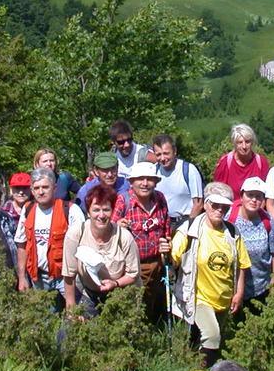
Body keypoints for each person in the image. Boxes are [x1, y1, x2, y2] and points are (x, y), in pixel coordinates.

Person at [172, 183, 250, 367]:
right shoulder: (189, 229)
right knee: (212, 336)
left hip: (223, 298)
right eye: (215, 205)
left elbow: (241, 265)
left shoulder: (232, 232)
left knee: (213, 338)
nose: (220, 210)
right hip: (199, 297)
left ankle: (192, 366)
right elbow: (172, 259)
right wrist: (166, 253)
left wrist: (238, 293)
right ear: (206, 204)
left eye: (224, 206)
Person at [62, 184, 141, 317]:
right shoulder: (76, 234)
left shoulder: (124, 237)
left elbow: (133, 274)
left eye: (106, 210)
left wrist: (115, 283)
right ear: (88, 212)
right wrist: (72, 311)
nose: (101, 215)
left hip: (120, 292)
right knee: (67, 332)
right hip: (89, 293)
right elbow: (69, 275)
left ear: (112, 211)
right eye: (96, 210)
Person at [113, 161, 172, 323]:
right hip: (133, 268)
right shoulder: (123, 200)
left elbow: (166, 226)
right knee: (135, 309)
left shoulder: (160, 198)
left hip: (158, 265)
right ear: (132, 182)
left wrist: (167, 244)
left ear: (156, 182)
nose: (145, 183)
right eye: (140, 179)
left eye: (150, 179)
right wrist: (117, 226)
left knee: (154, 310)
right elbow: (110, 229)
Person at [16, 168, 85, 301]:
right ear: (32, 190)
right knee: (44, 320)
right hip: (39, 278)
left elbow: (83, 247)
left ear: (54, 188)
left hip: (68, 278)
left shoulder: (71, 210)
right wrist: (22, 277)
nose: (40, 192)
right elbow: (22, 245)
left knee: (76, 316)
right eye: (36, 188)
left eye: (45, 187)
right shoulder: (27, 210)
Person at [228, 177, 274, 312]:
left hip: (261, 286)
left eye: (258, 197)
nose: (254, 200)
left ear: (263, 200)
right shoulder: (229, 218)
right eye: (250, 195)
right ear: (241, 196)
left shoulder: (267, 220)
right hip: (232, 288)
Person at [153, 133, 204, 227]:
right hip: (162, 224)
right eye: (158, 154)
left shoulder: (189, 170)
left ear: (174, 151)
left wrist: (188, 227)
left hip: (185, 222)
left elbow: (198, 204)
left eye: (166, 153)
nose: (163, 158)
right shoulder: (153, 171)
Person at [213, 124, 270, 199]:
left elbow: (266, 194)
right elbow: (217, 193)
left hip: (255, 209)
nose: (244, 146)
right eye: (240, 142)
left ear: (252, 142)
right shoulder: (225, 162)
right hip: (231, 209)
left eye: (247, 142)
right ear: (234, 144)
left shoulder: (261, 162)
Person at [0, 171, 31, 241]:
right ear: (11, 190)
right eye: (17, 188)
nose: (21, 192)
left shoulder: (38, 210)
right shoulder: (2, 213)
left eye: (25, 188)